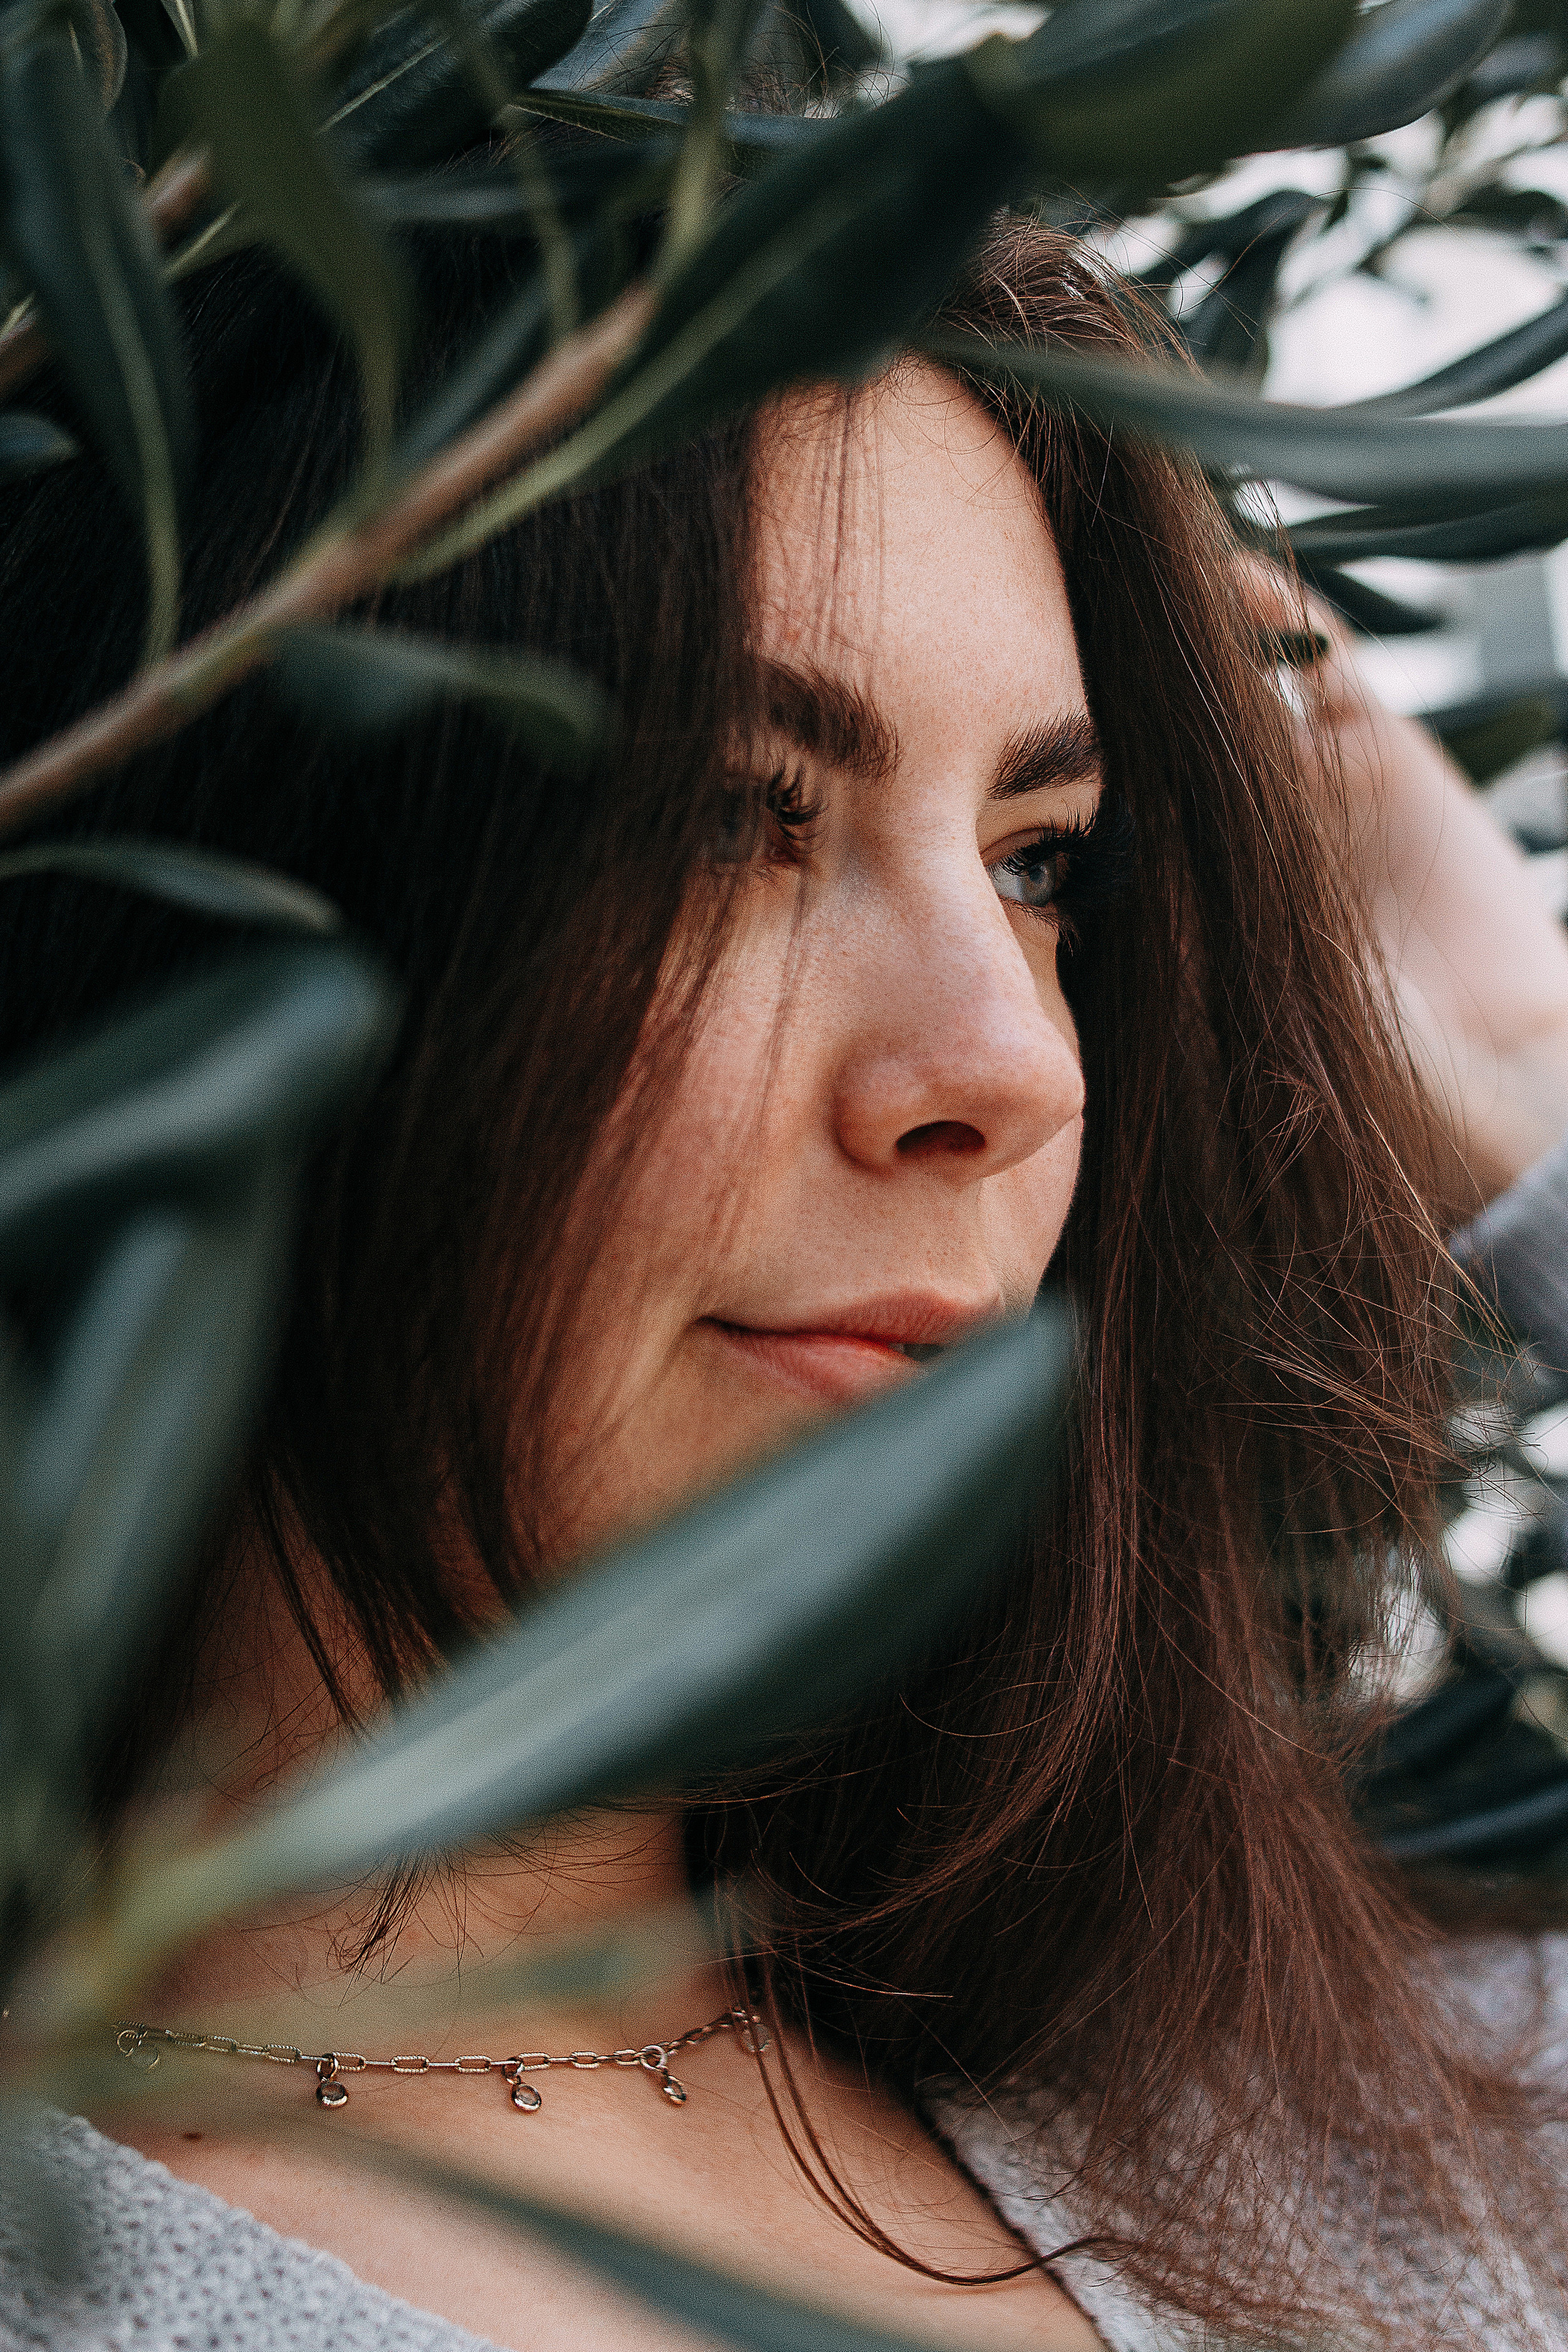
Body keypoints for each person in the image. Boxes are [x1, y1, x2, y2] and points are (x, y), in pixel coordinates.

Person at [4, 201, 1568, 2352]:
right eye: (729, 819)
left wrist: (1528, 1103)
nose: (1009, 1066)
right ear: (216, 919)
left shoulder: (1351, 2094)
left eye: (1043, 867)